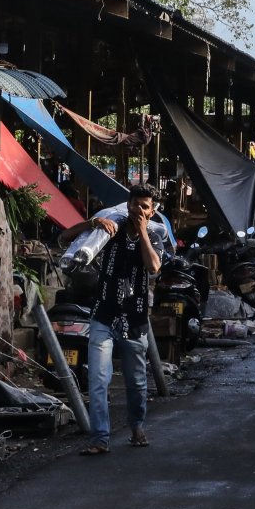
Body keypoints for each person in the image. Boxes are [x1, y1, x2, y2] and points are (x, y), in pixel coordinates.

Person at [67, 185, 162, 456]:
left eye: (145, 207)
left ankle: (137, 427)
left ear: (151, 211)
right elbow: (66, 238)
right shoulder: (110, 230)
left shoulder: (154, 235)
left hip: (134, 318)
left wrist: (143, 230)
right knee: (98, 378)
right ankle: (100, 438)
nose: (138, 210)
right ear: (127, 205)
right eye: (135, 205)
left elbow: (153, 267)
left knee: (136, 381)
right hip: (104, 315)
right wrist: (93, 222)